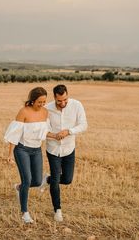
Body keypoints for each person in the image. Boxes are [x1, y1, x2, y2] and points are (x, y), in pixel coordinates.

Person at [4, 87, 55, 224]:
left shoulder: (45, 112)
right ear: (33, 101)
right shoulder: (24, 112)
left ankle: (19, 188)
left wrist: (55, 136)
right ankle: (24, 212)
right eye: (40, 102)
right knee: (27, 179)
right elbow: (15, 134)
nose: (42, 105)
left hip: (36, 150)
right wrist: (10, 154)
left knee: (37, 181)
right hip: (22, 150)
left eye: (44, 102)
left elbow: (44, 132)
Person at [40, 84, 87, 222]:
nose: (63, 103)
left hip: (68, 148)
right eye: (59, 100)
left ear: (67, 95)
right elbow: (44, 130)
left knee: (67, 179)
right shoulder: (47, 109)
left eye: (65, 99)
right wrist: (54, 136)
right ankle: (57, 210)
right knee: (55, 181)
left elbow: (84, 124)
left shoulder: (77, 105)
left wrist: (68, 131)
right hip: (53, 149)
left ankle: (46, 179)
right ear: (54, 97)